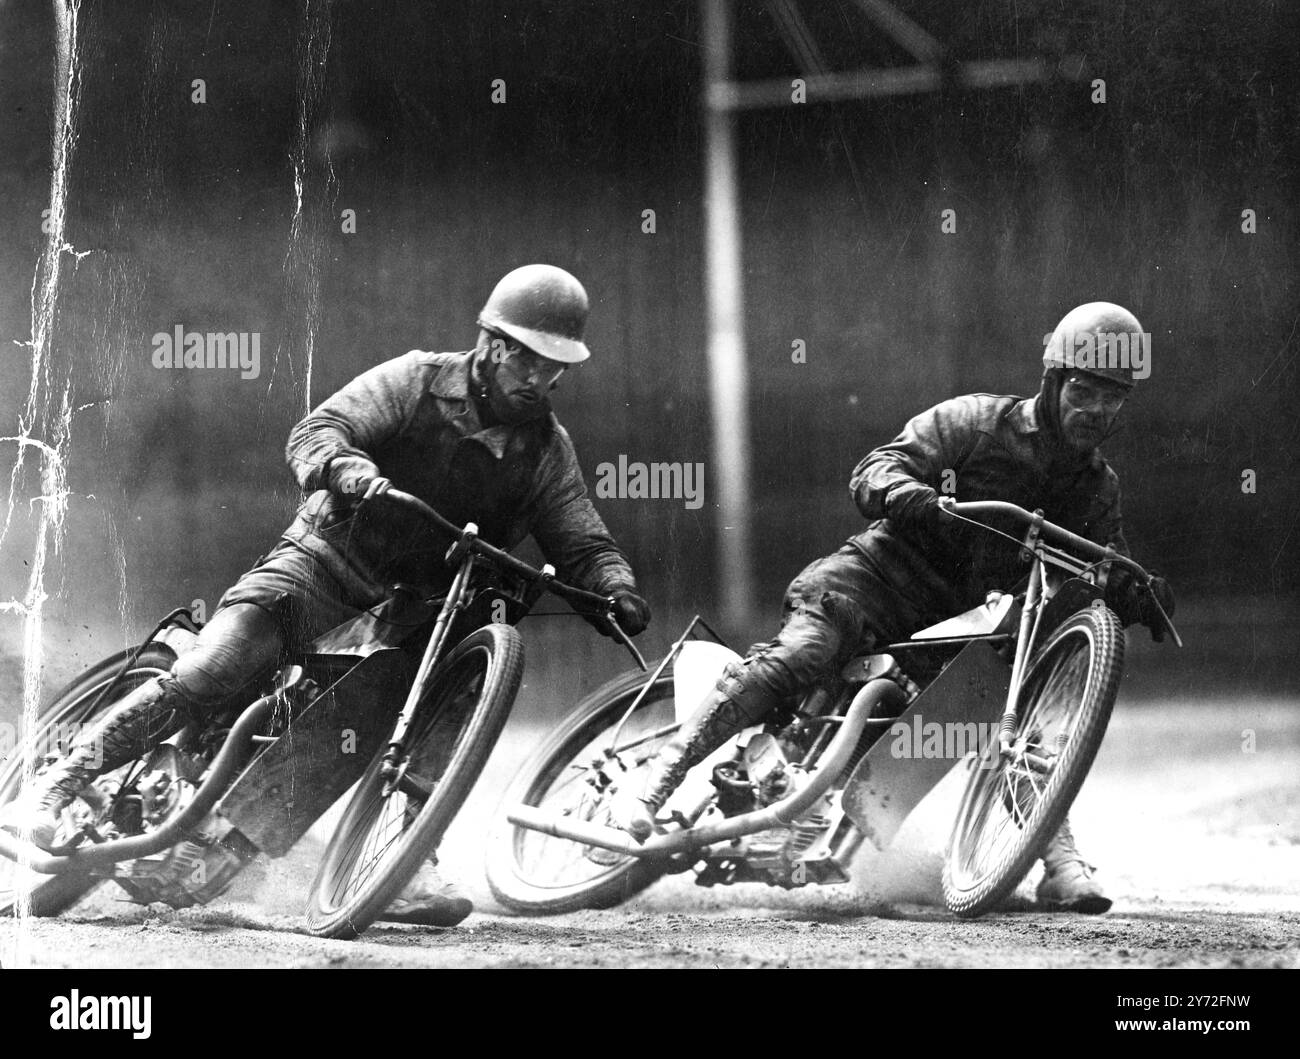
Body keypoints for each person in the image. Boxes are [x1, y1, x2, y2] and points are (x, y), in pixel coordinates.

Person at [3, 264, 651, 926]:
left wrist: (615, 587)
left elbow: (584, 540)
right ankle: (56, 786)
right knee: (218, 666)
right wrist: (350, 469)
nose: (540, 381)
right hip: (325, 561)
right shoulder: (416, 379)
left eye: (555, 368)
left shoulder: (545, 449)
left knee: (400, 712)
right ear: (491, 343)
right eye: (530, 361)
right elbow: (318, 431)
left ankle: (394, 855)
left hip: (416, 611)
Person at [613, 301, 1173, 914]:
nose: (1095, 410)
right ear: (1054, 381)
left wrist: (1136, 590)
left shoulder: (1096, 486)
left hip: (950, 637)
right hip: (871, 587)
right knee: (805, 654)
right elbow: (877, 468)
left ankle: (1055, 859)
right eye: (1084, 389)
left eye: (1113, 398)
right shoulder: (976, 423)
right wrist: (914, 498)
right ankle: (657, 779)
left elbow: (1103, 561)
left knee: (1015, 719)